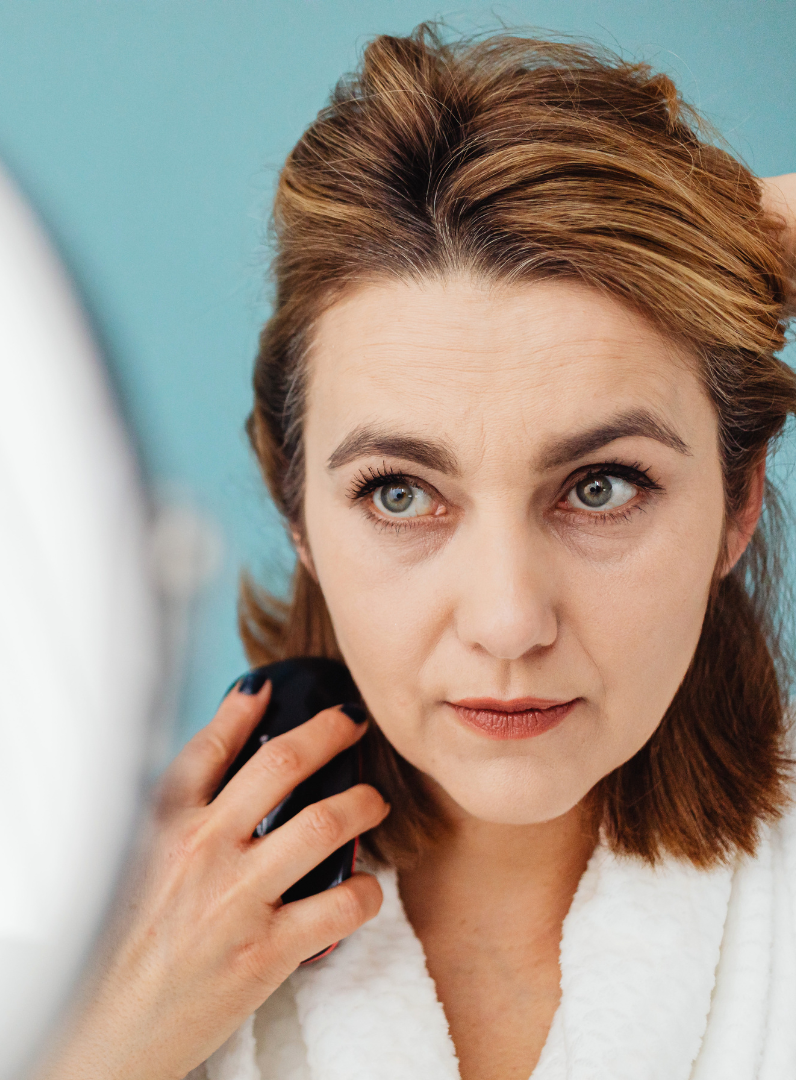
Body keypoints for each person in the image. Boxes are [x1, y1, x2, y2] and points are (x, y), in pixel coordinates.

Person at [40, 24, 796, 1080]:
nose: (506, 620)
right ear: (293, 505)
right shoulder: (68, 948)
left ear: (738, 500)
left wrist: (709, 243)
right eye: (401, 494)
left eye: (601, 487)